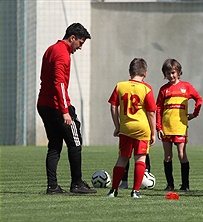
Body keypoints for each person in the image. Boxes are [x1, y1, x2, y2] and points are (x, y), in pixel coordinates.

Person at [37, 23, 96, 194]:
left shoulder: (51, 49)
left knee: (54, 145)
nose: (80, 47)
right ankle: (77, 183)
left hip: (44, 104)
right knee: (75, 143)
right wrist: (65, 110)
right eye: (80, 43)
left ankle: (52, 186)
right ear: (72, 38)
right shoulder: (63, 54)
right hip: (57, 106)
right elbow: (59, 83)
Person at [107, 58, 157, 198]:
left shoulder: (120, 86)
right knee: (140, 159)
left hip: (126, 128)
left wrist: (117, 126)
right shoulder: (147, 88)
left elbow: (113, 106)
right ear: (145, 73)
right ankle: (135, 191)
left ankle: (113, 190)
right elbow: (152, 112)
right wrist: (153, 133)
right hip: (142, 128)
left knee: (122, 158)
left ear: (130, 72)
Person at [156, 58, 202, 192]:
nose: (171, 76)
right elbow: (158, 109)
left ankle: (185, 185)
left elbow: (198, 99)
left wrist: (194, 114)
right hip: (166, 127)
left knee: (182, 155)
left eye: (173, 73)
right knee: (167, 156)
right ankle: (170, 184)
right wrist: (158, 127)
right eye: (168, 73)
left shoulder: (186, 86)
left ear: (179, 72)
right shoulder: (163, 90)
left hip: (180, 126)